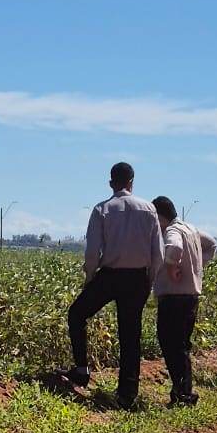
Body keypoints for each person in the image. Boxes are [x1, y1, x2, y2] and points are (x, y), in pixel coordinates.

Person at [59, 162, 164, 410]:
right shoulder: (149, 209)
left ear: (111, 183)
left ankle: (82, 369)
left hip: (110, 275)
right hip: (138, 277)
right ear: (132, 182)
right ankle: (127, 394)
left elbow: (93, 251)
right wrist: (149, 279)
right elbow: (158, 252)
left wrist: (90, 279)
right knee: (130, 334)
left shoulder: (102, 209)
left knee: (77, 314)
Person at [152, 196, 217, 406]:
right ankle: (183, 391)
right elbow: (212, 244)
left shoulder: (171, 231)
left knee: (170, 344)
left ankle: (183, 394)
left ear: (159, 216)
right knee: (181, 346)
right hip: (190, 296)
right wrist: (196, 267)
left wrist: (172, 268)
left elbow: (174, 248)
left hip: (173, 296)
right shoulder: (190, 228)